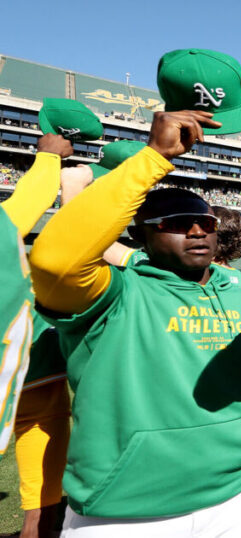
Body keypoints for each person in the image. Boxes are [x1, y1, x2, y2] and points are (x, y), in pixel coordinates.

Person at [29, 111, 241, 537]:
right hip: (124, 511)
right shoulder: (110, 293)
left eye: (206, 223)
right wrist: (154, 156)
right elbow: (54, 260)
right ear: (142, 235)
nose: (197, 231)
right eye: (175, 224)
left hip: (234, 494)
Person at [1, 133, 73, 538]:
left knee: (43, 506)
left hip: (35, 373)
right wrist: (48, 156)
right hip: (34, 363)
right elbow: (31, 200)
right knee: (42, 504)